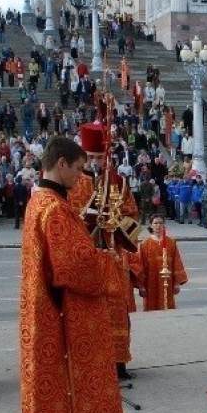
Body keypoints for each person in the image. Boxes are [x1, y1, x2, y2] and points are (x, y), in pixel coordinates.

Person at [18, 135, 129, 413]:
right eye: (79, 169)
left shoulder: (40, 201)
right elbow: (73, 266)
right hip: (69, 313)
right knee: (75, 382)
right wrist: (108, 262)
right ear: (61, 163)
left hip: (51, 310)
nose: (82, 178)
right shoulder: (53, 208)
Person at [69, 123, 140, 380]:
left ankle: (118, 362)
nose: (95, 163)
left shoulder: (117, 183)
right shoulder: (72, 183)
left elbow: (134, 222)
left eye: (99, 157)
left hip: (113, 256)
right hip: (84, 257)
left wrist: (116, 221)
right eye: (90, 158)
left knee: (116, 310)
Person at [136, 214, 188, 310]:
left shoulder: (171, 242)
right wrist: (141, 286)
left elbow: (177, 263)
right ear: (151, 225)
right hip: (151, 282)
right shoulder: (145, 244)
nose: (158, 225)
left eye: (160, 223)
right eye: (155, 223)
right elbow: (140, 266)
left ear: (164, 225)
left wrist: (177, 283)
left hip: (167, 282)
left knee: (167, 307)